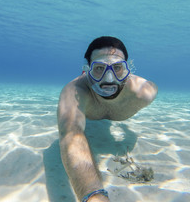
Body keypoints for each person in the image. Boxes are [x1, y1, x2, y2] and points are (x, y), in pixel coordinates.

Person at [57, 36, 158, 202]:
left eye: (117, 68)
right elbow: (70, 133)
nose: (108, 79)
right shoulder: (74, 92)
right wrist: (94, 196)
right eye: (99, 68)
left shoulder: (143, 93)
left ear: (128, 69)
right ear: (87, 69)